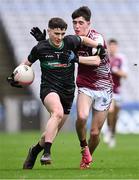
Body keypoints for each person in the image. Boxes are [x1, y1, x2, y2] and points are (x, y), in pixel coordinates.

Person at [7, 17, 105, 169]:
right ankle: (47, 153)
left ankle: (34, 151)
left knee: (52, 131)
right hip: (49, 89)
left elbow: (84, 40)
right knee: (57, 113)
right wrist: (14, 76)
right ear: (49, 31)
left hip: (68, 91)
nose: (60, 37)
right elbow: (26, 64)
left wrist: (99, 46)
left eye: (62, 33)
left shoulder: (70, 41)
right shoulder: (40, 47)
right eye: (56, 33)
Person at [71, 6, 113, 169]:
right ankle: (84, 148)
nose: (77, 26)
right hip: (85, 85)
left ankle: (88, 157)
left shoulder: (97, 38)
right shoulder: (73, 40)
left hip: (104, 87)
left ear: (88, 24)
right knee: (81, 117)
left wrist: (75, 58)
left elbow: (96, 61)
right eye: (74, 23)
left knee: (95, 133)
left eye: (80, 23)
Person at [103, 39, 128, 148]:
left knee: (115, 116)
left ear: (116, 47)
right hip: (107, 90)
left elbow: (125, 75)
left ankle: (112, 134)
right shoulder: (105, 58)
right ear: (108, 47)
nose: (112, 48)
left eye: (114, 46)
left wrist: (116, 70)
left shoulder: (121, 58)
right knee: (110, 111)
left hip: (118, 91)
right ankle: (108, 130)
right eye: (111, 46)